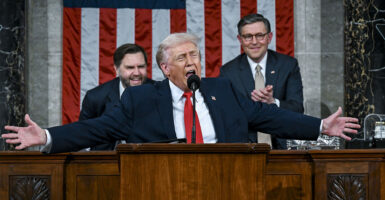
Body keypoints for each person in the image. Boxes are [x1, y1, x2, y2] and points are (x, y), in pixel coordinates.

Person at [2, 33, 360, 153]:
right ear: (164, 68)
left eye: (196, 55)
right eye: (183, 57)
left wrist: (318, 127)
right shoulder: (141, 99)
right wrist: (47, 136)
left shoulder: (224, 89)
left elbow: (270, 117)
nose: (192, 61)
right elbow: (95, 129)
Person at [220, 13, 303, 149]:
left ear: (269, 37)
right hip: (244, 149)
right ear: (240, 39)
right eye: (248, 37)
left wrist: (273, 102)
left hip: (283, 149)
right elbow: (225, 116)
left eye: (260, 35)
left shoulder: (288, 65)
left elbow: (298, 109)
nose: (254, 42)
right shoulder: (228, 72)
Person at [79, 43, 155, 150]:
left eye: (141, 67)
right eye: (130, 67)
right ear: (116, 69)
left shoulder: (159, 93)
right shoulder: (95, 97)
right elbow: (82, 136)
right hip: (105, 161)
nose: (137, 72)